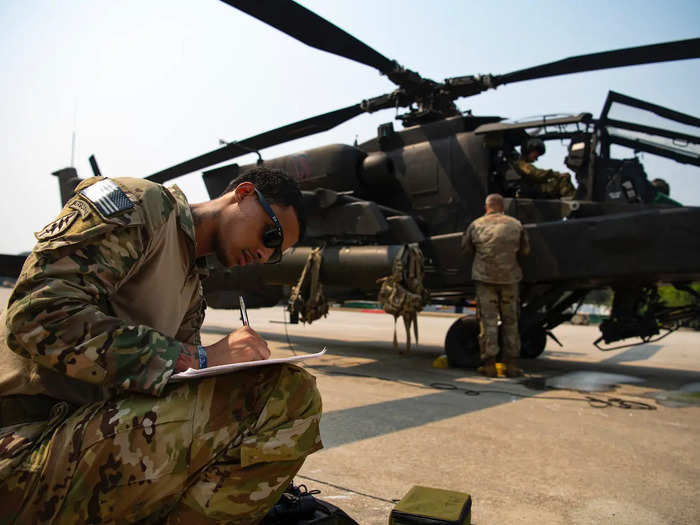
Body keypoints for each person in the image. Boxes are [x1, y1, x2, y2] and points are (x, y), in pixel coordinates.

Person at [0, 167, 323, 523]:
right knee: (289, 395)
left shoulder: (191, 287)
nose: (265, 253)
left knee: (258, 403)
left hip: (74, 434)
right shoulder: (141, 206)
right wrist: (199, 357)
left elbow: (167, 387)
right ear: (244, 193)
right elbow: (36, 317)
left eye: (275, 253)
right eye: (271, 234)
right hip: (22, 445)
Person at [461, 193, 530, 378]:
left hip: (485, 279)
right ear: (502, 206)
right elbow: (525, 250)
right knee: (511, 321)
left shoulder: (475, 225)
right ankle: (512, 365)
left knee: (488, 322)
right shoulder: (516, 224)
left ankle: (489, 364)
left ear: (486, 207)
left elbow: (466, 249)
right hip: (510, 279)